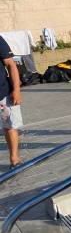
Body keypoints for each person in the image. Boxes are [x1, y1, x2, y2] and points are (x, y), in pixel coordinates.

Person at [0, 36, 23, 169]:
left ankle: (14, 159)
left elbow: (11, 65)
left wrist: (17, 91)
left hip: (2, 94)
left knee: (9, 125)